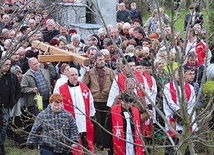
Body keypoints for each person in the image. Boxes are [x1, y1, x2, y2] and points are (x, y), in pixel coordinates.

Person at [82, 52, 115, 150]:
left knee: (106, 121)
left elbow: (114, 84)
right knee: (97, 123)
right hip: (95, 100)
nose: (102, 61)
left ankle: (106, 142)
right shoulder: (91, 72)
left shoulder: (109, 71)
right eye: (100, 60)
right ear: (95, 61)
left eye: (103, 60)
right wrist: (87, 72)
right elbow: (84, 84)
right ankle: (99, 142)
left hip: (107, 100)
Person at [59, 67, 96, 153]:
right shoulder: (61, 89)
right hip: (70, 121)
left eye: (76, 74)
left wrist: (91, 115)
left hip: (84, 120)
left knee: (86, 142)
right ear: (68, 76)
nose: (75, 77)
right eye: (72, 75)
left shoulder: (84, 87)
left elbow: (90, 101)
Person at [163, 68, 197, 155]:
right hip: (173, 119)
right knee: (172, 146)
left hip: (186, 119)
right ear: (173, 75)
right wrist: (178, 113)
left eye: (181, 74)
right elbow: (168, 102)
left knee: (187, 146)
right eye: (177, 74)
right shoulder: (167, 87)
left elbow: (192, 104)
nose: (179, 77)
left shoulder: (191, 88)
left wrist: (185, 116)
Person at [0, 59, 21, 151]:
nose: (8, 66)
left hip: (6, 106)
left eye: (9, 64)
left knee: (4, 127)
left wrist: (14, 101)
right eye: (6, 64)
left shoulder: (12, 77)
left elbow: (18, 89)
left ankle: (1, 146)